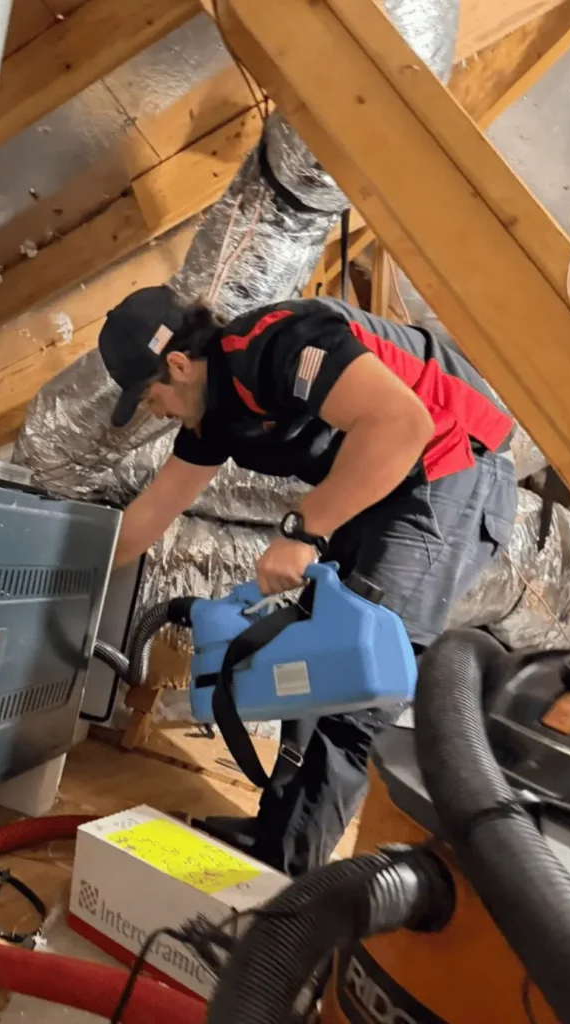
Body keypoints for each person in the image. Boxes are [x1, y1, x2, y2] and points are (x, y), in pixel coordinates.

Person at [98, 285, 518, 875]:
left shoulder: (277, 343)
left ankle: (286, 880)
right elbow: (149, 516)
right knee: (313, 658)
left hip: (450, 466)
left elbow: (402, 423)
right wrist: (66, 579)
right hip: (383, 482)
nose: (156, 412)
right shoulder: (212, 418)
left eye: (150, 397)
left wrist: (304, 530)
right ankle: (276, 838)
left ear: (178, 365)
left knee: (355, 675)